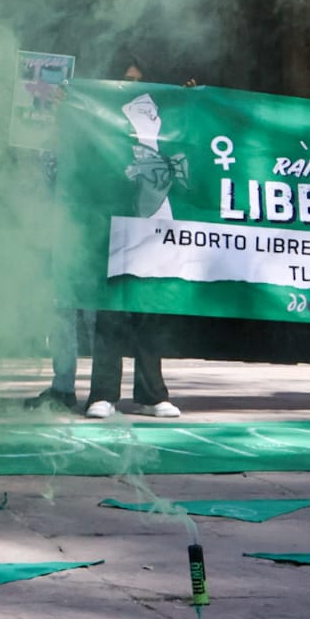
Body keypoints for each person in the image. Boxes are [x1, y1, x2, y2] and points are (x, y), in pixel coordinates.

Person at [84, 55, 180, 419]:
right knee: (111, 312)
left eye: (139, 80)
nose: (133, 86)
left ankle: (152, 395)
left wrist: (188, 99)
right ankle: (103, 394)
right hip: (112, 220)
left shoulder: (159, 116)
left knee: (150, 312)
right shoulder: (100, 119)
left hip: (155, 223)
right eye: (126, 80)